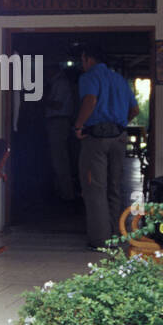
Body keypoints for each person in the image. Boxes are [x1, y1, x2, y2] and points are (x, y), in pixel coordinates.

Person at [72, 43, 138, 249]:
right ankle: (117, 233)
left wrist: (79, 125)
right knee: (115, 187)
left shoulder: (90, 77)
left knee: (95, 188)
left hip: (96, 138)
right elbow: (134, 110)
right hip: (118, 137)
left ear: (88, 58)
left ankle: (100, 239)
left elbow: (90, 100)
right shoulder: (119, 79)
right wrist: (119, 124)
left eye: (82, 60)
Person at [44, 60, 77, 202]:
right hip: (58, 121)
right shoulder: (57, 83)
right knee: (58, 158)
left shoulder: (60, 83)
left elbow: (58, 104)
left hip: (59, 121)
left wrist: (42, 99)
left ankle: (66, 194)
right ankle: (62, 191)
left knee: (60, 159)